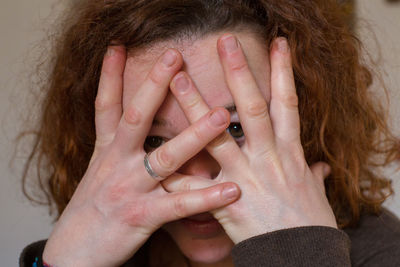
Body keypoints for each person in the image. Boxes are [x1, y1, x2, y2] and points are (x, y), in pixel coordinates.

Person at [19, 0, 400, 266]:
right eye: (156, 141)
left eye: (235, 128)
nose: (200, 183)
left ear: (306, 114)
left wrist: (298, 252)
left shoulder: (383, 250)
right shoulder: (104, 246)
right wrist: (62, 262)